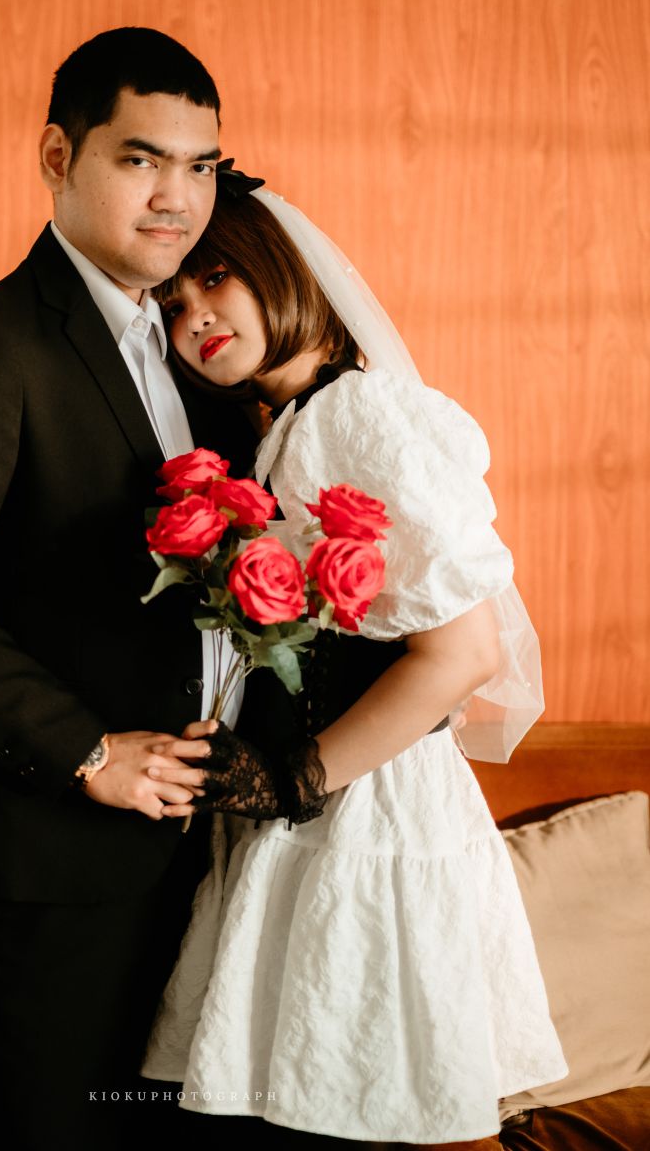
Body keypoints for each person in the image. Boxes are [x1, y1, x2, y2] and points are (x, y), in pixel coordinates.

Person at [0, 27, 257, 1150]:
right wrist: (86, 750)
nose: (176, 197)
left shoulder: (204, 350)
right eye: (140, 159)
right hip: (52, 858)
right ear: (56, 156)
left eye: (199, 165)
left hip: (205, 851)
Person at [140, 181, 567, 1144]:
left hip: (361, 799)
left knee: (345, 1103)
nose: (194, 315)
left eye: (216, 276)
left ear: (280, 271)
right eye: (171, 300)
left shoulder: (353, 413)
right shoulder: (291, 424)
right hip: (320, 797)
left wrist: (297, 777)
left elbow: (463, 651)